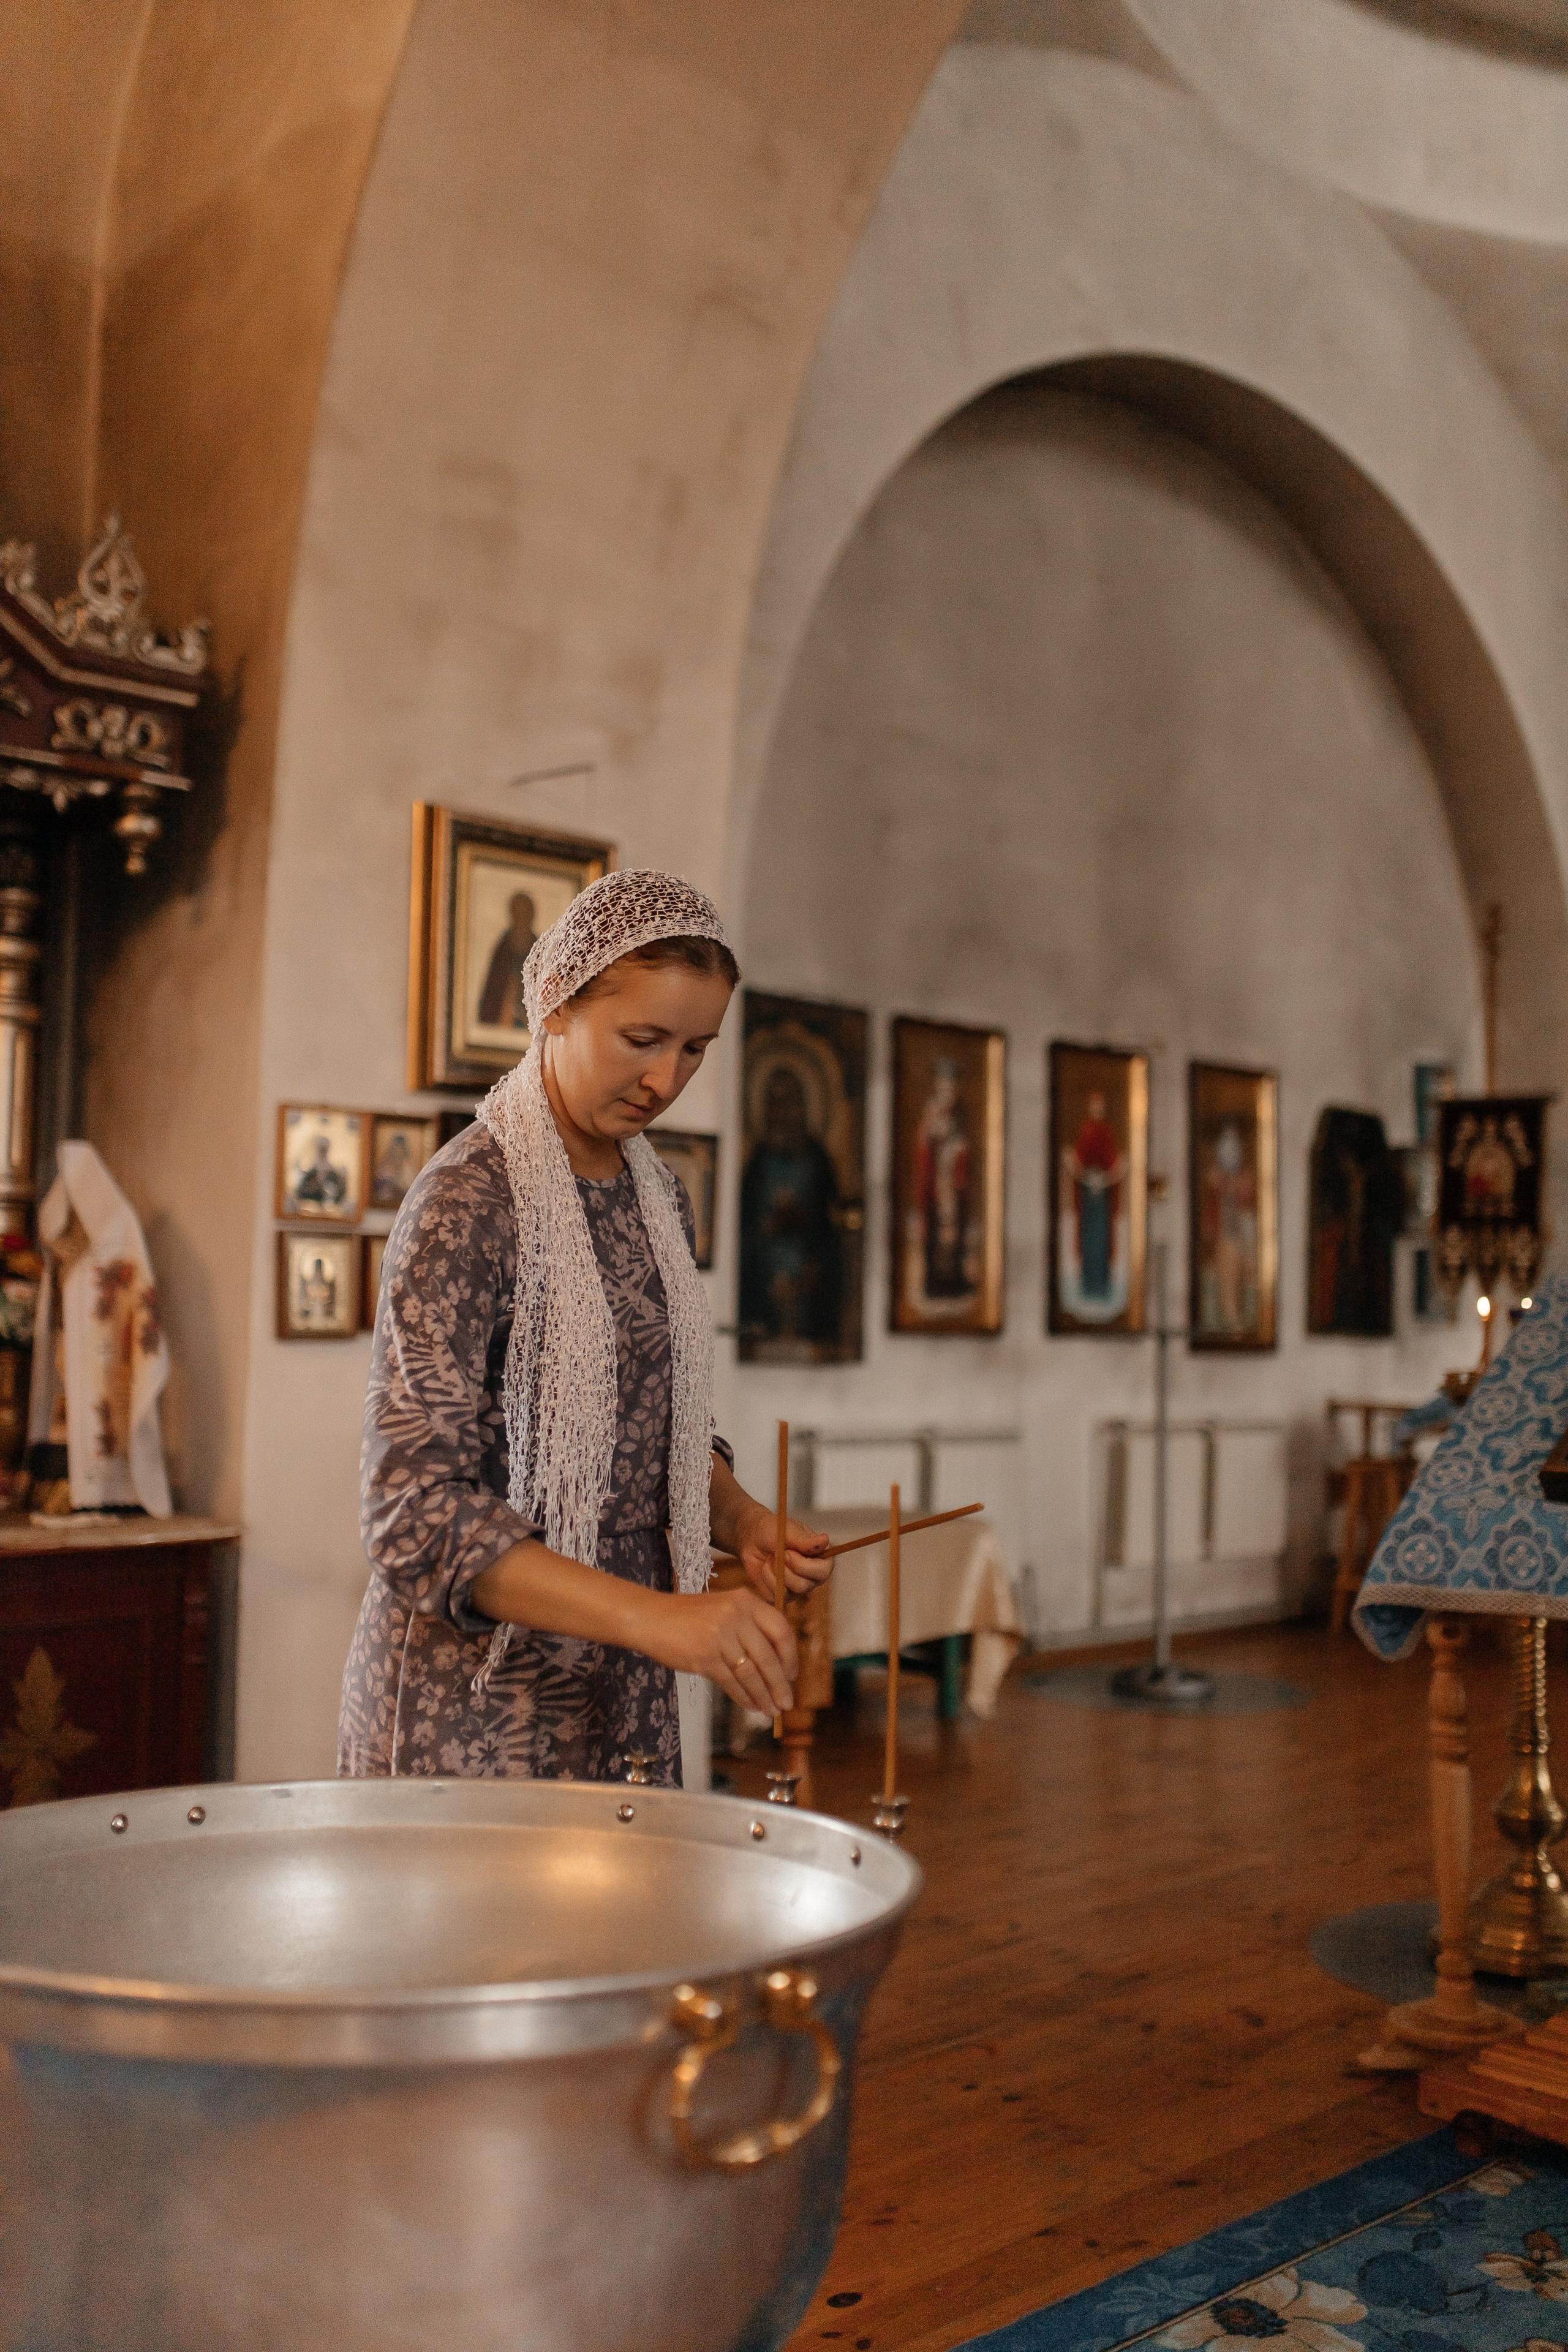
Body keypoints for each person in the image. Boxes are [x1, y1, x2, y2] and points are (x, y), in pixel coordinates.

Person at [339, 869, 829, 1785]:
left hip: (623, 1680)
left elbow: (655, 1434)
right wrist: (657, 1617)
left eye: (695, 1049)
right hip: (477, 1693)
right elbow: (412, 1513)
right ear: (557, 1005)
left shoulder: (660, 1199)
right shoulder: (467, 1202)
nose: (665, 1080)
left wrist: (740, 1519)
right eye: (642, 1040)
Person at [738, 1063, 842, 1346]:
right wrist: (768, 1226)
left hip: (808, 1265)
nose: (781, 1113)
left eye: (789, 1102)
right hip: (765, 1268)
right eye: (774, 1102)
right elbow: (745, 1220)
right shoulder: (758, 1162)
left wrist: (801, 1219)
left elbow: (830, 1219)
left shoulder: (818, 1159)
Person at [478, 889, 539, 1028]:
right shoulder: (503, 948)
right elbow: (493, 988)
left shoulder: (538, 948)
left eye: (525, 914)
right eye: (519, 914)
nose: (522, 919)